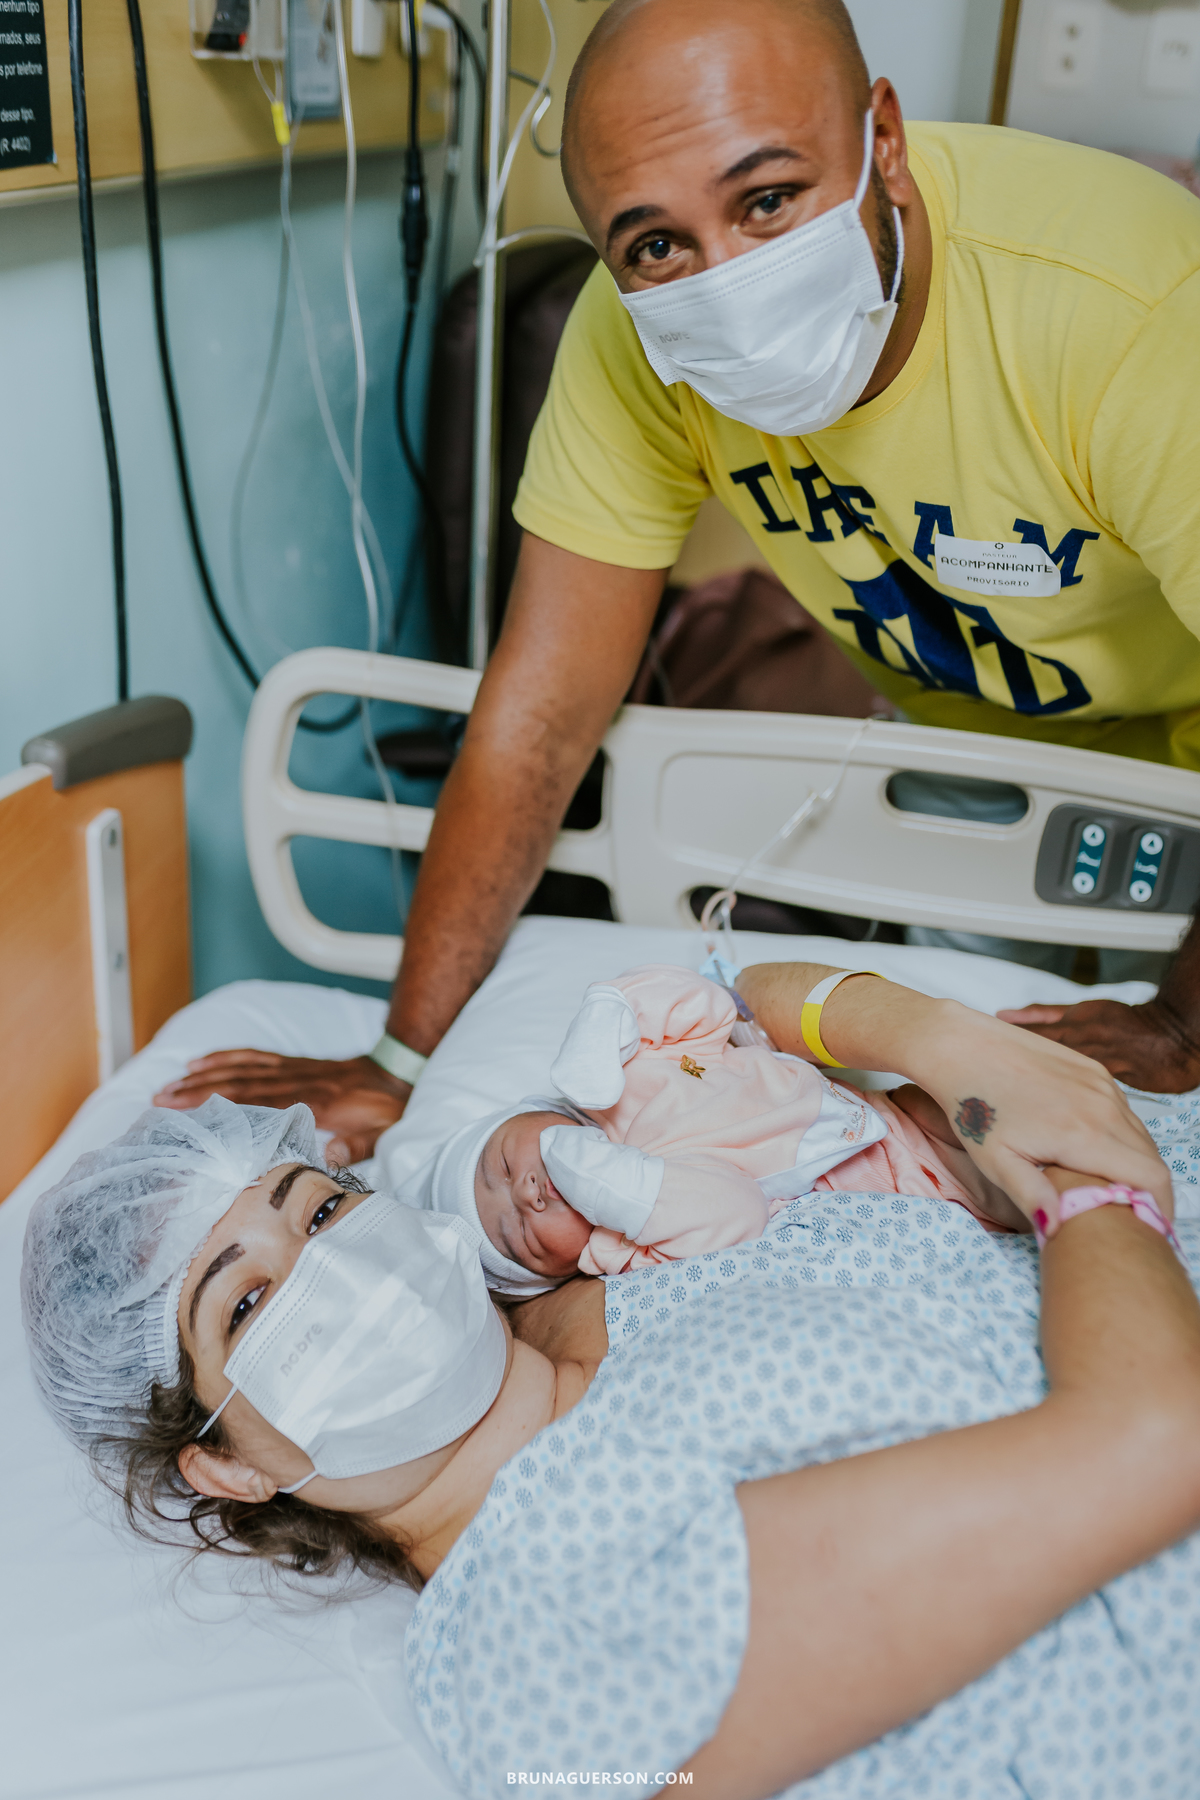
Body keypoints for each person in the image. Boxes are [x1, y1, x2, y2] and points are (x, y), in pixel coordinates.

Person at [156, 0, 1200, 1158]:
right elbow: (541, 715)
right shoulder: (631, 338)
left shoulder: (1132, 316)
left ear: (883, 142)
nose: (728, 284)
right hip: (977, 740)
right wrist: (402, 1060)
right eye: (655, 241)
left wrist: (1185, 1021)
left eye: (768, 199)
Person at [21, 965, 1200, 1794]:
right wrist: (1086, 1177)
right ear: (225, 1460)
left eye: (320, 1208)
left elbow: (730, 1010)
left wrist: (951, 1043)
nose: (336, 1267)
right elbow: (1154, 1443)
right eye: (249, 1303)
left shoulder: (585, 1257)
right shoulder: (542, 1647)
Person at [422, 964, 1034, 1293]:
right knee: (1015, 1188)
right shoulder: (624, 1251)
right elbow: (731, 1213)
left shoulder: (632, 1071)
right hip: (900, 1202)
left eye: (501, 1166)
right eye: (520, 1233)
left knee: (966, 1101)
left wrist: (609, 1013)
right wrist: (617, 1186)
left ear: (528, 1112)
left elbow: (699, 1010)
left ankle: (1074, 1119)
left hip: (889, 1114)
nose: (526, 1193)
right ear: (555, 1271)